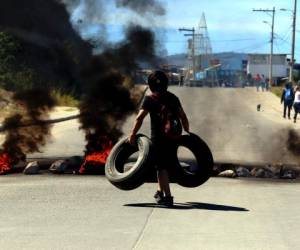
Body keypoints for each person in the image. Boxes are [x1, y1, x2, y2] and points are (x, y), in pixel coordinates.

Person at [128, 70, 189, 207]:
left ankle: (168, 197)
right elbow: (183, 116)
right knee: (165, 165)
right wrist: (187, 132)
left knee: (161, 167)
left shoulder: (150, 99)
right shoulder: (173, 97)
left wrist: (132, 134)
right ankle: (159, 192)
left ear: (150, 85)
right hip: (174, 137)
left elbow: (139, 118)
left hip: (159, 138)